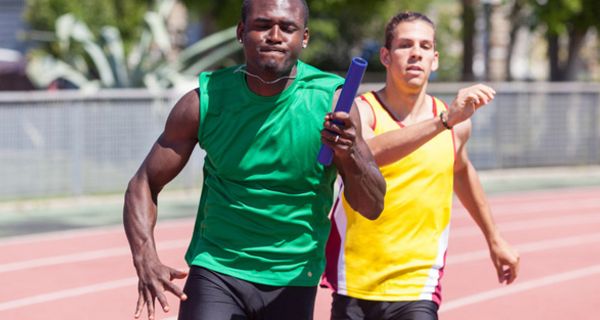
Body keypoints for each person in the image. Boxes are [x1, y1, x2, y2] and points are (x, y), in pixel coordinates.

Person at [122, 0, 386, 319]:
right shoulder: (204, 101)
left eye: (287, 28)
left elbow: (372, 206)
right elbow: (144, 183)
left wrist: (351, 151)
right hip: (217, 268)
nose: (274, 36)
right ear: (241, 31)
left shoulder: (331, 101)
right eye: (262, 25)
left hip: (292, 276)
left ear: (304, 37)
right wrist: (145, 257)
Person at [322, 12, 520, 320]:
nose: (416, 53)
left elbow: (461, 170)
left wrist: (495, 239)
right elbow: (368, 155)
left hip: (418, 286)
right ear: (385, 56)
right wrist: (443, 122)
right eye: (405, 45)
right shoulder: (363, 111)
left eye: (425, 46)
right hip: (356, 281)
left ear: (435, 59)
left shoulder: (455, 125)